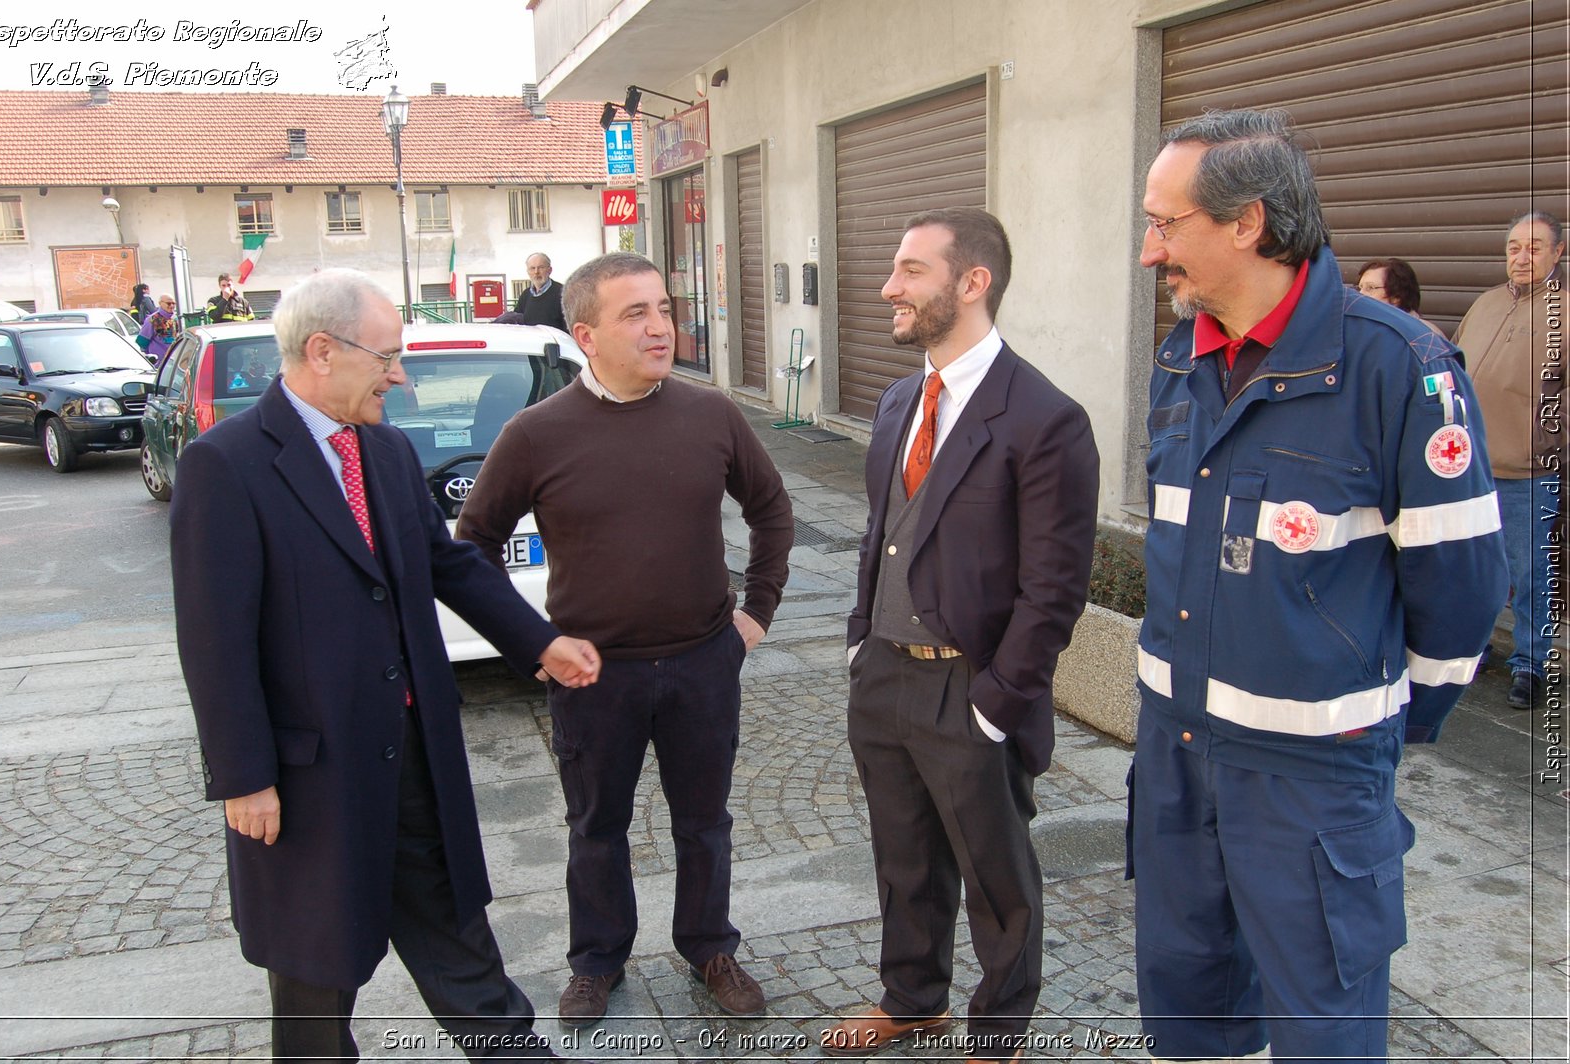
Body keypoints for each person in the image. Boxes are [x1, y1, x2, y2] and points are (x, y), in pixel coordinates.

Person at [1132, 108, 1508, 1064]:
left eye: (1165, 224)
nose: (1148, 251)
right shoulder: (1182, 355)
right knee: (1190, 1009)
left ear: (1248, 223)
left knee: (1323, 1029)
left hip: (1311, 776)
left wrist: (1377, 723)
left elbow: (1462, 587)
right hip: (1178, 752)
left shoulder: (1398, 367)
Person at [169, 268, 602, 1062]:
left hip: (416, 761)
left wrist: (537, 640)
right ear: (324, 351)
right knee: (314, 983)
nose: (400, 375)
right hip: (309, 779)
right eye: (389, 357)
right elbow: (213, 638)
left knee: (463, 950)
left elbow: (449, 563)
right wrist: (242, 776)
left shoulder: (389, 452)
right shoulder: (226, 465)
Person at [456, 251, 794, 1029]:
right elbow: (470, 547)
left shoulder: (710, 414)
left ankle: (709, 947)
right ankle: (596, 961)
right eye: (635, 313)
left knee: (704, 821)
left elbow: (772, 512)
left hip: (705, 660)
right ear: (585, 335)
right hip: (593, 678)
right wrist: (536, 643)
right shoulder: (536, 434)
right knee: (595, 828)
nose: (660, 326)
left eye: (664, 308)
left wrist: (757, 613)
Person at [820, 207, 1099, 1064]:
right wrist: (864, 639)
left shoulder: (1045, 418)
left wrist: (995, 704)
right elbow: (887, 530)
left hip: (969, 685)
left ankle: (999, 1031)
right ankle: (912, 999)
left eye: (910, 271)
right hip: (886, 677)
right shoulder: (902, 397)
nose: (888, 288)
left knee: (997, 875)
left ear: (971, 283)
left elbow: (1054, 590)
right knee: (903, 855)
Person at [1453, 211, 1566, 709]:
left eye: (1535, 247)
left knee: (1531, 574)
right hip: (1469, 470)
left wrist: (1547, 442)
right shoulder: (1485, 303)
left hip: (1530, 473)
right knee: (1474, 572)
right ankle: (1472, 649)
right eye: (1514, 247)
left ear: (1558, 253)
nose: (1521, 257)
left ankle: (1531, 665)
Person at [512, 253, 567, 331]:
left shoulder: (564, 294)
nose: (536, 272)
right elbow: (517, 323)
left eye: (541, 267)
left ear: (550, 270)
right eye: (532, 268)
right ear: (528, 271)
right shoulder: (525, 295)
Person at [137, 294, 181, 363]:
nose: (172, 306)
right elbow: (142, 341)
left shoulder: (174, 318)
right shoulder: (152, 319)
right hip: (158, 363)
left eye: (173, 303)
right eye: (168, 303)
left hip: (172, 361)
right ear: (160, 303)